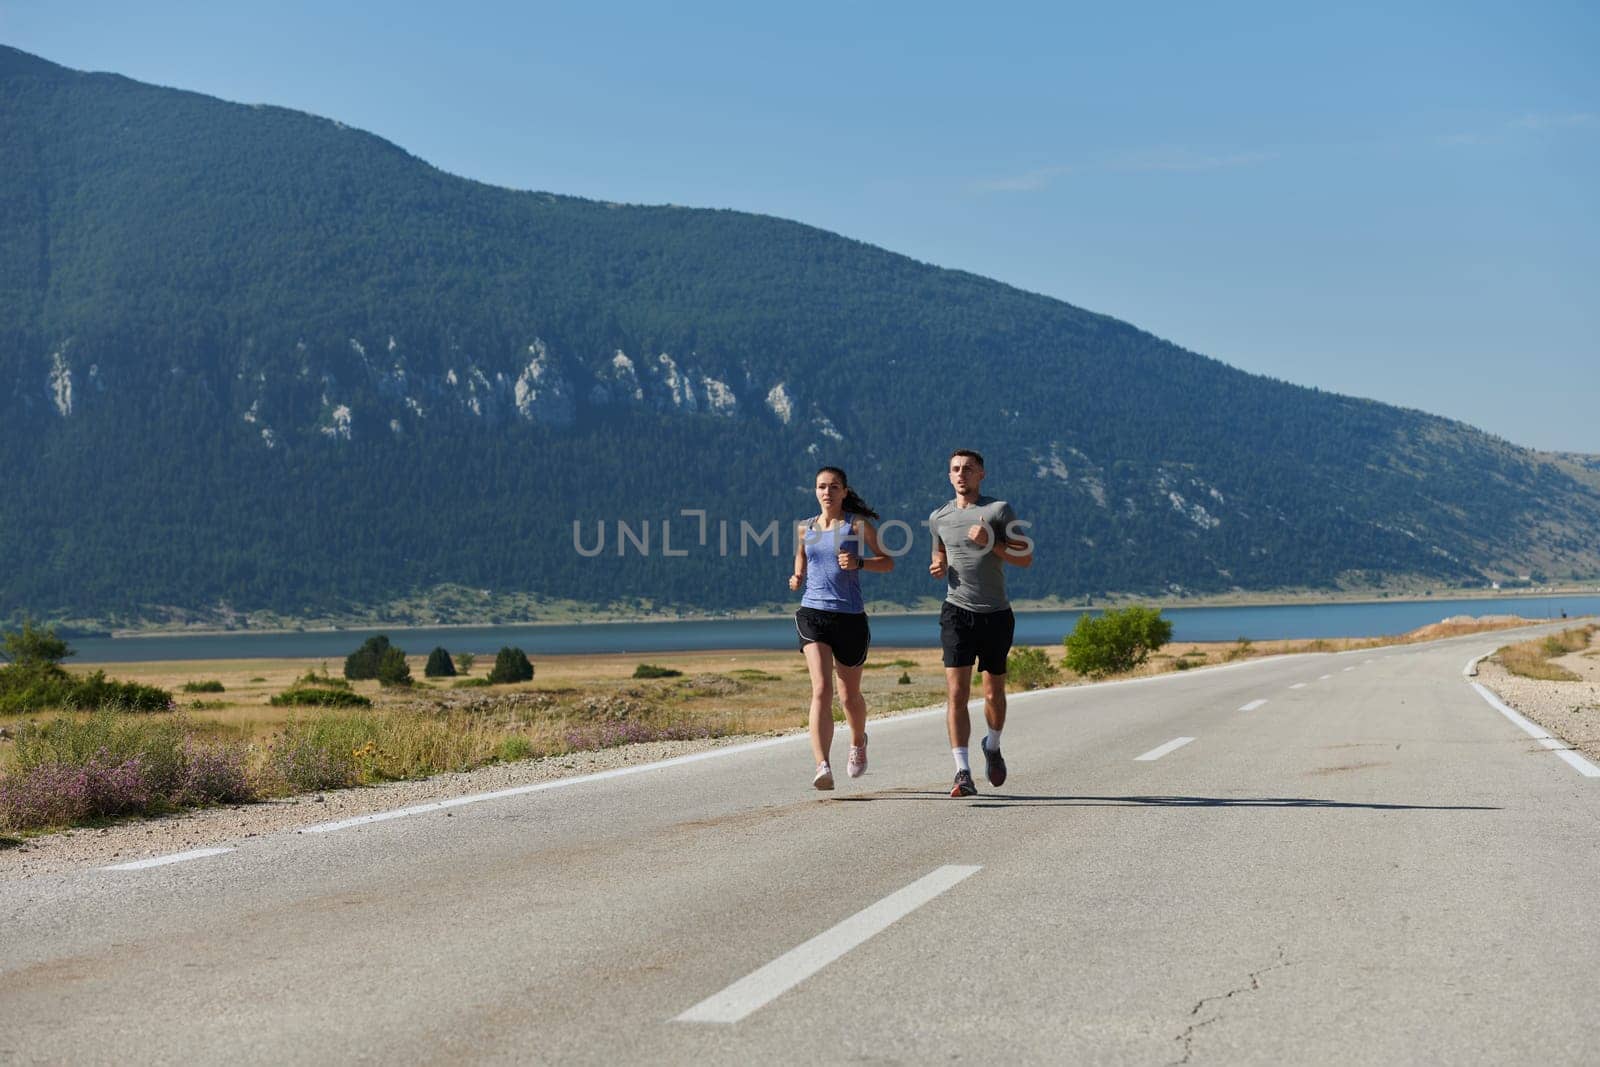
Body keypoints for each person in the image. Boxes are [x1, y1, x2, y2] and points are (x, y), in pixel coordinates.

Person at [928, 449, 1033, 796]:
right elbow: (939, 551)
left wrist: (991, 542)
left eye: (968, 469)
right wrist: (938, 565)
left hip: (996, 614)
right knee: (956, 693)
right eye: (955, 469)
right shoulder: (938, 516)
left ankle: (993, 744)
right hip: (956, 612)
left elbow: (1025, 557)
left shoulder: (998, 510)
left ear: (981, 474)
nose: (961, 474)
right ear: (949, 476)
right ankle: (962, 772)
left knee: (993, 692)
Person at [790, 467, 894, 790]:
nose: (827, 492)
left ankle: (858, 740)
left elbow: (887, 561)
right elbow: (802, 559)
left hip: (849, 617)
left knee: (849, 696)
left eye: (834, 487)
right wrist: (797, 577)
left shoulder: (856, 525)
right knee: (821, 688)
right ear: (815, 490)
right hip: (812, 614)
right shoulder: (804, 527)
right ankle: (822, 765)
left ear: (845, 491)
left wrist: (860, 563)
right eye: (822, 486)